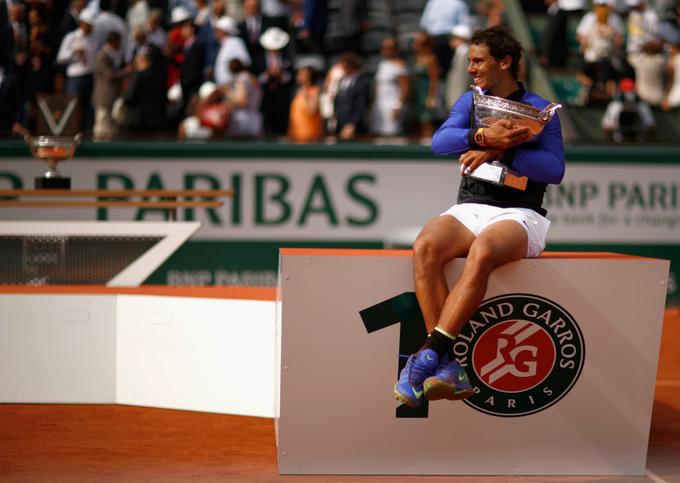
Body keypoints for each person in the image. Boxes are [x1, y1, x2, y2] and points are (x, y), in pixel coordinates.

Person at [393, 26, 565, 409]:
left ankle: (425, 358)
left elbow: (554, 169)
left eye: (478, 60)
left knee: (484, 251)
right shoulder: (470, 103)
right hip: (470, 206)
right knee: (425, 247)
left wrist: (501, 152)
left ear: (504, 62)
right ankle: (449, 366)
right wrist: (486, 138)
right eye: (470, 61)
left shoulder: (541, 109)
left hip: (521, 214)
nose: (470, 68)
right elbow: (439, 142)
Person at [369, 37, 409, 138]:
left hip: (392, 106)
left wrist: (398, 106)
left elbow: (406, 87)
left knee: (392, 135)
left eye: (389, 48)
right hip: (379, 106)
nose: (385, 50)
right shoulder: (382, 64)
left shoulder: (400, 65)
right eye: (383, 48)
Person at [92, 30, 127, 140]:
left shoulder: (112, 55)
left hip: (112, 97)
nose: (120, 45)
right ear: (113, 42)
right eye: (119, 42)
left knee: (111, 129)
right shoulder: (102, 56)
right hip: (104, 98)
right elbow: (110, 75)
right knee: (101, 128)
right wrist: (126, 71)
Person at [288, 64, 322, 142]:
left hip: (310, 137)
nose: (299, 76)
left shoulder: (315, 91)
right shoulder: (298, 91)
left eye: (302, 73)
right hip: (296, 135)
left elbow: (312, 111)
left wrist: (307, 95)